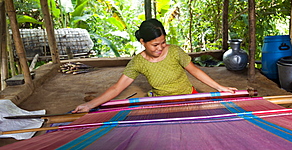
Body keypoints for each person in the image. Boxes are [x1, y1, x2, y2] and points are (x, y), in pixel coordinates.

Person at [73, 19, 237, 113]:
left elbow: (195, 70)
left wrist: (219, 87)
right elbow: (117, 88)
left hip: (189, 97)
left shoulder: (174, 52)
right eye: (155, 45)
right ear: (142, 42)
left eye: (163, 43)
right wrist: (89, 105)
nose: (160, 48)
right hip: (163, 102)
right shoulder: (138, 62)